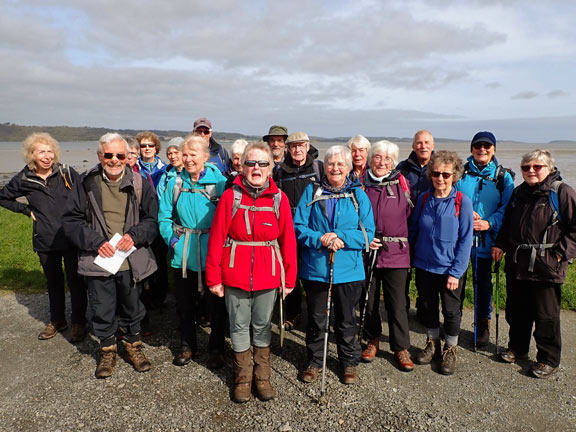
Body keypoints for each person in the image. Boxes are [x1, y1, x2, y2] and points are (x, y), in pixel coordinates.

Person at [206, 141, 297, 403]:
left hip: (268, 275)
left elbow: (287, 242)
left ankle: (262, 377)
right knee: (238, 326)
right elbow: (216, 238)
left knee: (261, 326)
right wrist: (213, 277)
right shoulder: (230, 197)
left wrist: (289, 278)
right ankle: (243, 378)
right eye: (251, 163)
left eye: (262, 163)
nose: (256, 168)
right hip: (234, 274)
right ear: (242, 166)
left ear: (271, 168)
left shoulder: (279, 199)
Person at [63, 133, 158, 379]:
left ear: (127, 157)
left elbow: (152, 219)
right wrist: (96, 242)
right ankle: (107, 350)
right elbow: (72, 221)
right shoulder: (86, 183)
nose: (114, 160)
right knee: (102, 308)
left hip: (130, 260)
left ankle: (133, 346)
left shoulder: (140, 183)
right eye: (109, 155)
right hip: (100, 260)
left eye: (120, 155)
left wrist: (135, 235)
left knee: (132, 307)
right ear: (99, 156)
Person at [294, 145, 375, 386]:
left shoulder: (358, 195)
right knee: (317, 318)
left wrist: (338, 236)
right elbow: (299, 227)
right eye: (331, 164)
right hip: (316, 267)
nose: (335, 168)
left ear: (349, 168)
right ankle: (315, 361)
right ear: (324, 167)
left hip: (348, 269)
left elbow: (367, 234)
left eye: (341, 164)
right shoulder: (311, 191)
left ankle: (349, 361)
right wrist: (320, 239)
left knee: (346, 318)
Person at [492, 150, 576, 379]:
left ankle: (548, 359)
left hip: (547, 265)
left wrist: (561, 254)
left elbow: (574, 228)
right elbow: (508, 224)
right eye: (526, 167)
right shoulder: (520, 193)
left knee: (546, 316)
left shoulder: (562, 192)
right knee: (517, 311)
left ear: (549, 168)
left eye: (536, 167)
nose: (530, 171)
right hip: (518, 262)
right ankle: (518, 348)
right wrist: (499, 244)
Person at [0, 133, 87, 342]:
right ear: (32, 155)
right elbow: (3, 197)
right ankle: (57, 320)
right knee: (53, 282)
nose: (47, 156)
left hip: (70, 235)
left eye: (50, 151)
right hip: (45, 238)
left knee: (76, 280)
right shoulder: (24, 178)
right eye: (41, 151)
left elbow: (83, 195)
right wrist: (25, 209)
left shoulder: (66, 172)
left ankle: (78, 322)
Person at [158, 135, 228, 369]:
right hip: (184, 252)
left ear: (205, 156)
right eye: (185, 154)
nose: (188, 159)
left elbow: (228, 218)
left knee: (216, 305)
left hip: (212, 253)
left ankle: (217, 348)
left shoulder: (220, 183)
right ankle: (187, 345)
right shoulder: (175, 182)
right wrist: (173, 242)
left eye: (193, 154)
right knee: (184, 304)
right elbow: (164, 217)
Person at [409, 150, 473, 376]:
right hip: (425, 266)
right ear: (430, 174)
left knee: (451, 311)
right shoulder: (424, 199)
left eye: (446, 174)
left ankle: (450, 349)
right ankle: (432, 343)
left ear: (454, 175)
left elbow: (466, 239)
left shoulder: (462, 202)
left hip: (450, 269)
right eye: (436, 173)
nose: (441, 178)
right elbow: (414, 229)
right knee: (427, 307)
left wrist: (456, 272)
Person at [455, 131, 514, 346]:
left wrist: (489, 223)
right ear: (471, 149)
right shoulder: (460, 173)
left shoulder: (503, 177)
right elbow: (450, 197)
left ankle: (482, 325)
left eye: (487, 146)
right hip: (460, 239)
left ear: (494, 150)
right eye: (478, 145)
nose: (482, 149)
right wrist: (464, 211)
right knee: (456, 281)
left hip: (488, 239)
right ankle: (454, 320)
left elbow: (506, 208)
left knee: (483, 283)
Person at [361, 140, 414, 371]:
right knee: (369, 301)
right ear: (370, 159)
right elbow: (352, 218)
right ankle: (372, 339)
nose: (382, 162)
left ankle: (400, 347)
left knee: (397, 303)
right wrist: (364, 238)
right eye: (377, 157)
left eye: (387, 158)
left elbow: (411, 216)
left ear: (393, 161)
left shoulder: (403, 183)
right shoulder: (360, 185)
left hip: (397, 253)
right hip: (368, 252)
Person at [274, 131, 324, 331]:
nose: (297, 150)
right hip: (288, 230)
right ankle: (293, 313)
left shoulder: (318, 168)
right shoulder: (280, 171)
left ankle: (315, 313)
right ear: (288, 149)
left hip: (311, 229)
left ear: (307, 147)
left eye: (301, 146)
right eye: (293, 146)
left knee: (312, 274)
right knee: (290, 274)